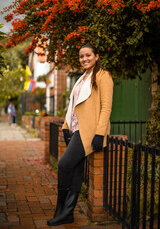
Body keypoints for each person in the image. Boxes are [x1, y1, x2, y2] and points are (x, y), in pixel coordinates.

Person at [47, 44, 114, 226]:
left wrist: (100, 134)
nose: (84, 59)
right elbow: (73, 105)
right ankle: (67, 213)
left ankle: (60, 209)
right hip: (76, 129)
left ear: (96, 56)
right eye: (81, 56)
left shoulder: (103, 76)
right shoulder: (82, 78)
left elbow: (106, 107)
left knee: (63, 164)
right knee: (76, 171)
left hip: (89, 131)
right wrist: (66, 126)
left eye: (88, 55)